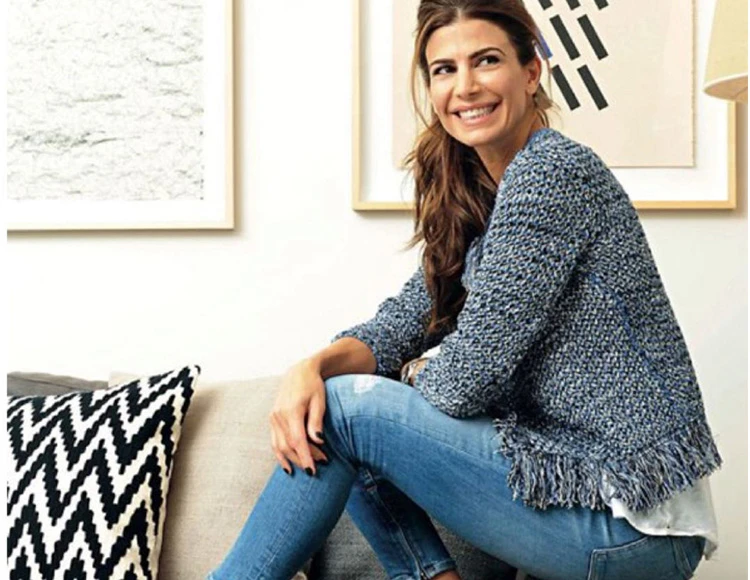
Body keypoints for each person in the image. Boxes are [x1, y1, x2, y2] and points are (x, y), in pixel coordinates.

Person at [206, 1, 721, 579]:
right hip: (592, 503)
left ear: (532, 71)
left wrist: (399, 375)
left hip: (634, 523)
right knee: (336, 401)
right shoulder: (483, 198)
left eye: (487, 60)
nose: (466, 86)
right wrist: (310, 367)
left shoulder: (552, 172)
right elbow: (405, 320)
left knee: (345, 411)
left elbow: (468, 379)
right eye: (445, 69)